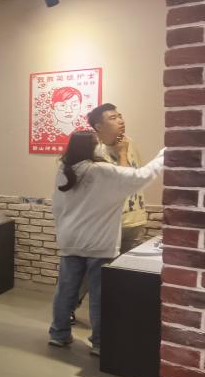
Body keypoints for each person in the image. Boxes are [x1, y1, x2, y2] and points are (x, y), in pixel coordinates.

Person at [48, 130, 164, 355]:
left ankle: (58, 335)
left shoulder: (63, 171)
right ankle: (100, 343)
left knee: (65, 291)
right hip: (99, 242)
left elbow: (57, 207)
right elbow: (139, 177)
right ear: (94, 147)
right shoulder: (102, 170)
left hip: (70, 240)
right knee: (100, 295)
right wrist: (163, 155)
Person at [88, 103, 148, 253]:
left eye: (120, 116)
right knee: (107, 267)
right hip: (109, 224)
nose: (120, 121)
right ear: (99, 127)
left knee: (130, 267)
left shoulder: (129, 142)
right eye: (113, 118)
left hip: (135, 219)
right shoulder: (94, 153)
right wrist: (122, 154)